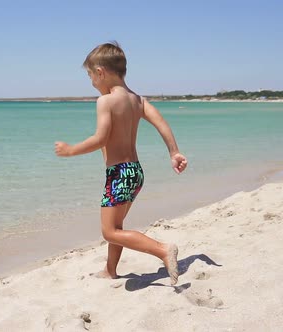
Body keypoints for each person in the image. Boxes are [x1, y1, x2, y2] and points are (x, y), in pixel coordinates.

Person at [54, 42, 188, 285]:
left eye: (90, 76)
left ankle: (162, 250)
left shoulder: (105, 102)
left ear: (100, 72)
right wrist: (174, 152)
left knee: (109, 231)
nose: (91, 82)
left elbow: (101, 138)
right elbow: (162, 124)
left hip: (118, 174)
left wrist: (71, 150)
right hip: (135, 173)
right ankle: (110, 270)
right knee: (116, 226)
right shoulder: (137, 100)